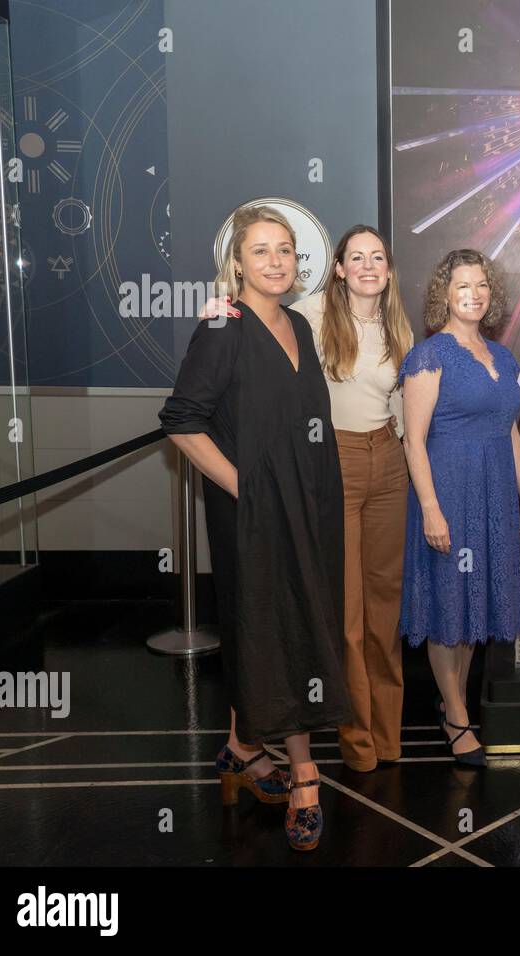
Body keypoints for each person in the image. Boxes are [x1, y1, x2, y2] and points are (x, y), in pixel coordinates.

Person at [159, 205, 347, 851]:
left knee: (279, 623)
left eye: (285, 250)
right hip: (253, 516)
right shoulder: (223, 326)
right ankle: (303, 773)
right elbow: (183, 422)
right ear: (236, 262)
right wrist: (249, 488)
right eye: (261, 250)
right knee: (278, 628)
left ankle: (242, 747)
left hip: (309, 508)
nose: (275, 261)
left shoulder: (296, 322)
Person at [399, 249, 520, 768]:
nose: (474, 294)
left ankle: (450, 698)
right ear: (444, 293)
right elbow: (414, 442)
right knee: (447, 603)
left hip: (494, 491)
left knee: (473, 602)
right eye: (462, 285)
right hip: (450, 490)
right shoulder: (429, 355)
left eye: (481, 285)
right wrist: (431, 510)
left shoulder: (502, 357)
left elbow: (512, 431)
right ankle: (457, 716)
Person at [290, 226, 413, 773]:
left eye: (377, 257)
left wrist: (421, 480)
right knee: (348, 612)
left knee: (385, 606)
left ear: (388, 268)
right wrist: (220, 307)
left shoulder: (397, 324)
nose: (367, 266)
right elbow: (256, 324)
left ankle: (389, 738)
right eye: (356, 257)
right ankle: (357, 739)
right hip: (333, 460)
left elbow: (407, 405)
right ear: (338, 267)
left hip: (389, 458)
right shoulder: (311, 314)